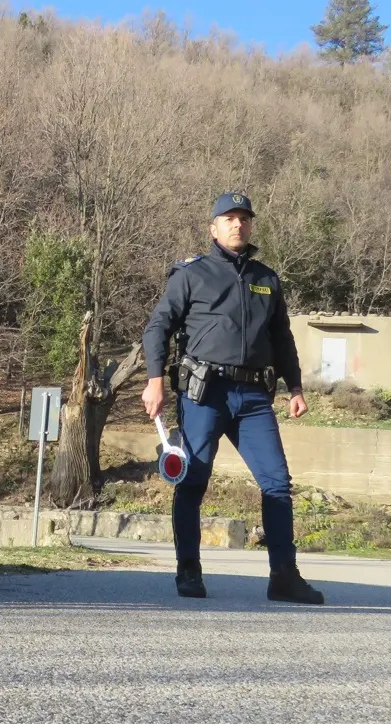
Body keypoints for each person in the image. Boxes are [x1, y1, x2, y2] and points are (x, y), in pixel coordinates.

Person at [141, 191, 324, 605]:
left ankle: (283, 577)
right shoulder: (191, 274)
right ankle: (188, 570)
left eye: (244, 218)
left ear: (251, 225)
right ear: (214, 227)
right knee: (193, 481)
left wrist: (294, 387)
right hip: (205, 394)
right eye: (229, 218)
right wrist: (154, 380)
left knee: (277, 483)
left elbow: (282, 338)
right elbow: (158, 328)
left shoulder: (267, 279)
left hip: (255, 398)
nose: (237, 224)